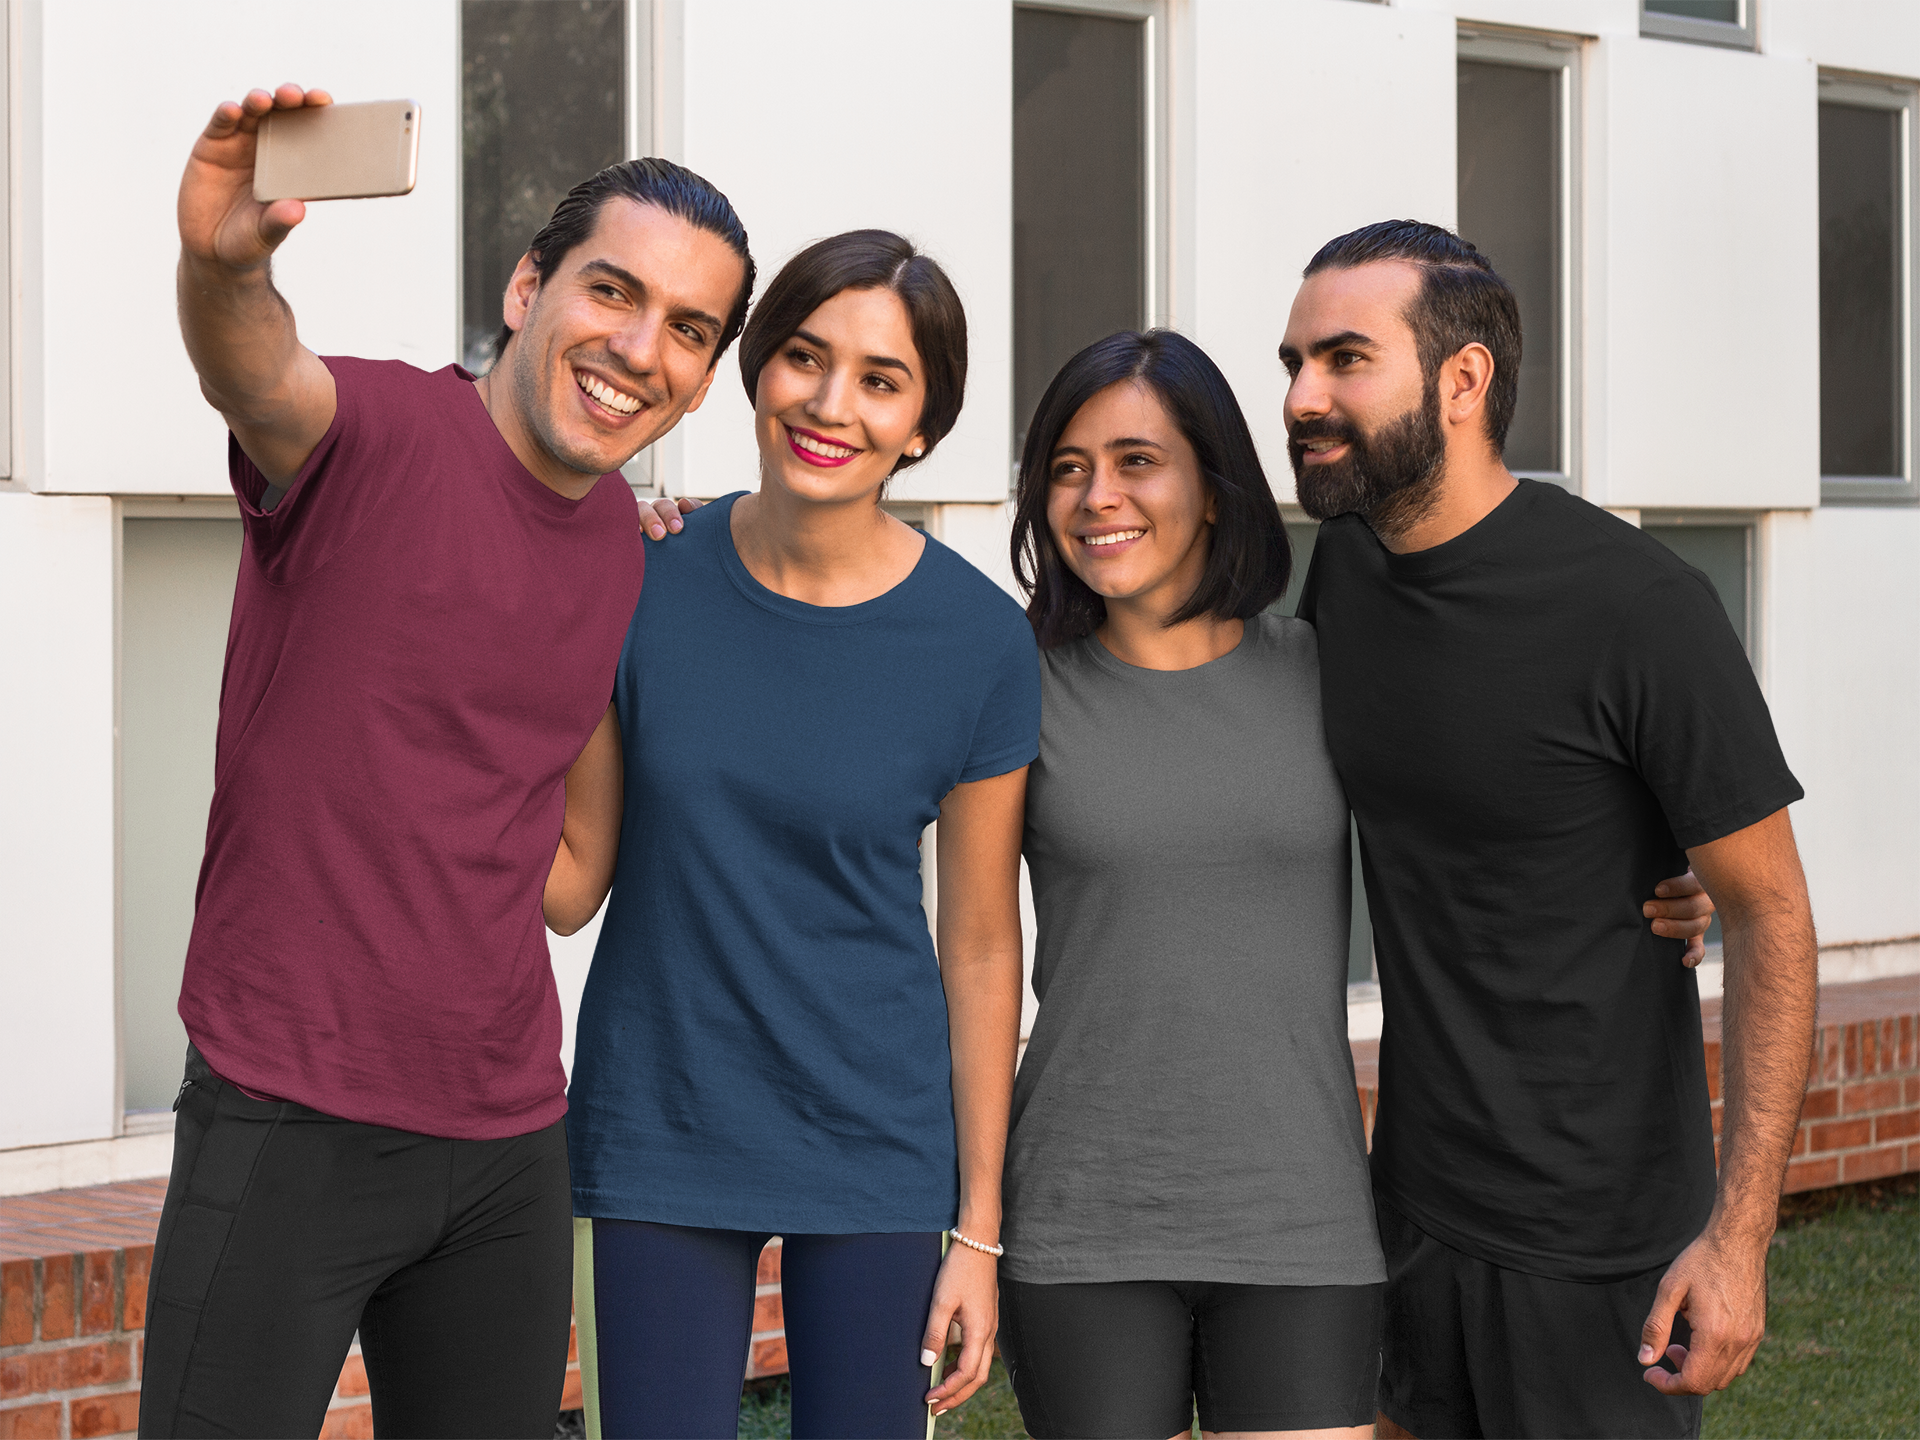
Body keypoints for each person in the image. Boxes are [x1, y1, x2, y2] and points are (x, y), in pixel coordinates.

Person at [142, 83, 752, 1440]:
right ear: (528, 283)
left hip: (505, 1139)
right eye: (612, 292)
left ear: (706, 373)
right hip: (288, 1106)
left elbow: (565, 880)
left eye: (689, 331)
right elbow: (255, 369)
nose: (641, 349)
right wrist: (224, 262)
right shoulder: (370, 434)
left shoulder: (618, 547)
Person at [991, 329, 1719, 1440]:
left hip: (1305, 1219)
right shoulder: (1011, 689)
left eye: (1137, 460)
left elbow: (1476, 801)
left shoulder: (1323, 666)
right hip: (1084, 1210)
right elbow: (969, 939)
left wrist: (1646, 868)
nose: (1097, 497)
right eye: (1068, 467)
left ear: (1217, 488)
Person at [1282, 220, 1816, 1440]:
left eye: (1345, 360)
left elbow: (1775, 919)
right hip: (1411, 1206)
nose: (1304, 397)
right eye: (1296, 362)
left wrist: (1738, 1245)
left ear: (1462, 382)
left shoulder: (1641, 607)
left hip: (1601, 1247)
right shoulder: (1347, 574)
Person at [544, 230, 1039, 1439]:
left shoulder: (980, 643)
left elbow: (979, 949)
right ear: (756, 370)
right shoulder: (639, 578)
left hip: (876, 1143)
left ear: (924, 422)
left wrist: (978, 1227)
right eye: (804, 358)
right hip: (660, 1122)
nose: (831, 405)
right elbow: (569, 885)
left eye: (881, 380)